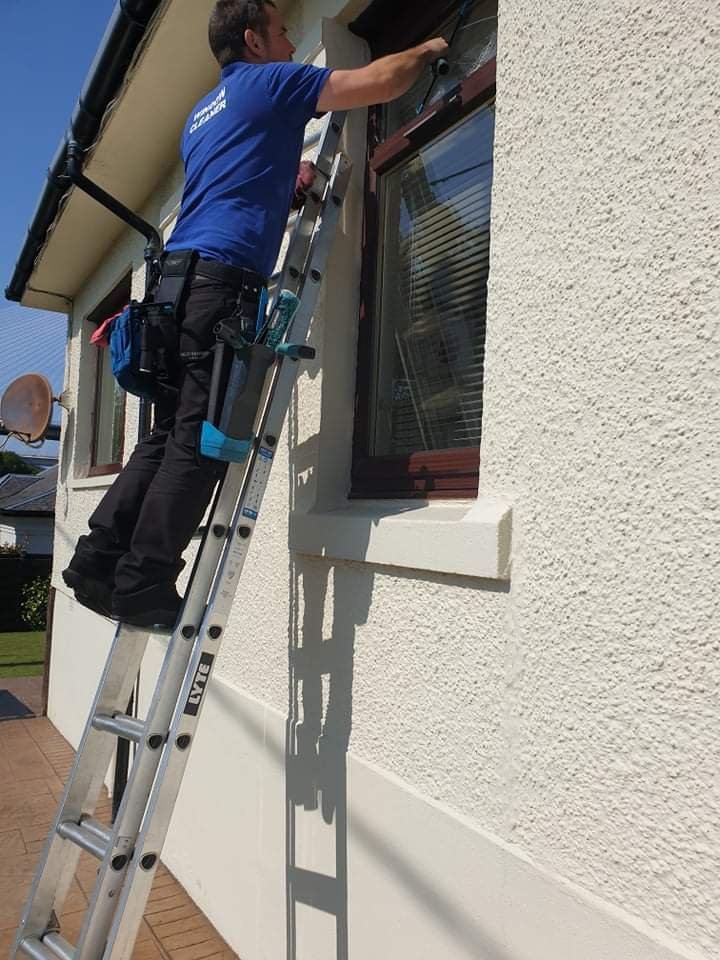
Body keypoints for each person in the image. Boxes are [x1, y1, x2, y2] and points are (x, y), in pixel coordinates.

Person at [63, 0, 448, 628]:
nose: (292, 43)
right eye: (281, 33)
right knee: (197, 445)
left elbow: (234, 178)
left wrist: (285, 177)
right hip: (218, 287)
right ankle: (145, 582)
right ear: (253, 40)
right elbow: (378, 81)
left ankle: (97, 560)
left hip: (173, 288)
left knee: (163, 438)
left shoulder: (204, 113)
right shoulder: (271, 82)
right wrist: (429, 48)